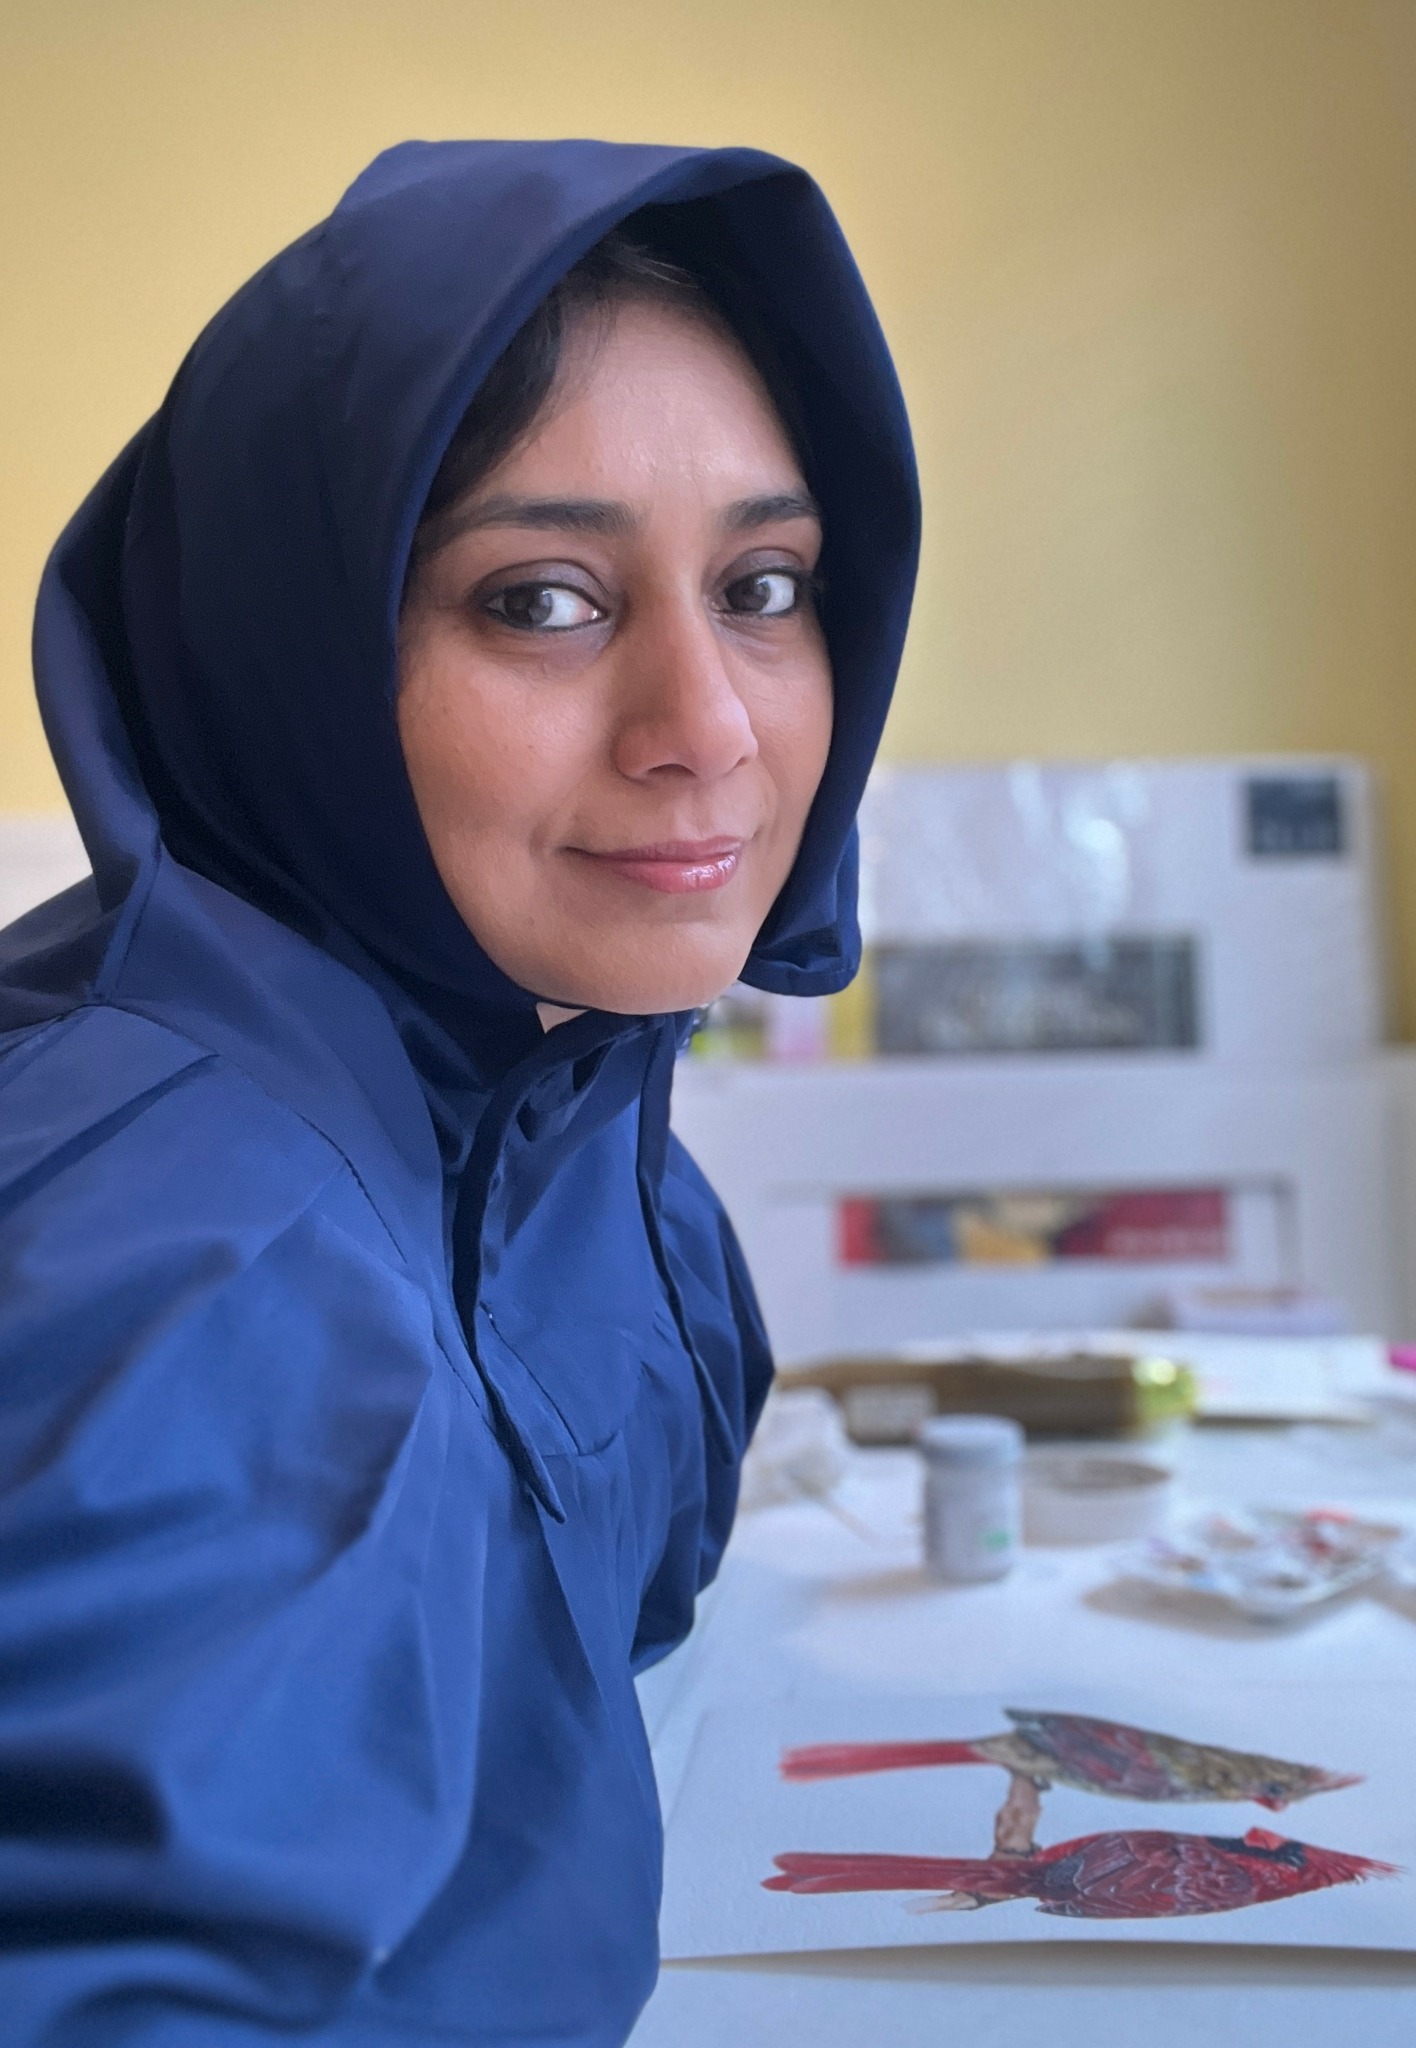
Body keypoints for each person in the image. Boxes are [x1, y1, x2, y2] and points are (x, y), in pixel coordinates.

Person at [0, 140, 919, 2045]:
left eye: (763, 585)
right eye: (543, 601)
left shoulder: (584, 1130)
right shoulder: (202, 1265)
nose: (708, 728)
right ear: (290, 649)